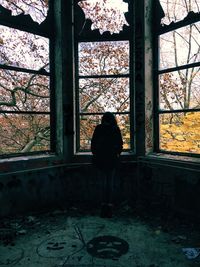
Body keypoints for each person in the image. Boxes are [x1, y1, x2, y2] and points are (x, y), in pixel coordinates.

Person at [91, 112, 123, 217]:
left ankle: (103, 206)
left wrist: (96, 154)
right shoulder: (115, 129)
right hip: (112, 159)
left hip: (100, 159)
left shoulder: (99, 128)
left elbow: (93, 144)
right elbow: (120, 144)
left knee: (103, 184)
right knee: (110, 184)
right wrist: (117, 153)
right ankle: (109, 207)